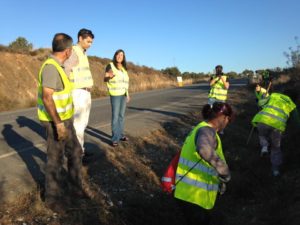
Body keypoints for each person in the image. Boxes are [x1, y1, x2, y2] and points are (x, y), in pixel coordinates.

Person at [37, 33, 83, 212]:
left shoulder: (59, 65)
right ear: (68, 51)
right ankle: (53, 200)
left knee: (76, 152)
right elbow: (47, 97)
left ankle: (75, 189)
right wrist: (58, 124)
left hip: (66, 119)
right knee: (55, 159)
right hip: (55, 121)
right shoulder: (50, 67)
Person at [174, 102, 233, 225]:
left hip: (188, 194)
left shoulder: (200, 127)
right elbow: (204, 150)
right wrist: (224, 172)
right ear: (222, 117)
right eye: (228, 119)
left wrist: (218, 181)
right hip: (194, 196)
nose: (228, 123)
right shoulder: (207, 131)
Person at [251, 90, 298, 176]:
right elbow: (296, 120)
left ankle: (264, 146)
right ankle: (275, 170)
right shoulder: (291, 104)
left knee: (262, 135)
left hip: (263, 121)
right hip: (277, 127)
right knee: (276, 148)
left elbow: (260, 103)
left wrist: (262, 98)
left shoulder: (273, 96)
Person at [64, 28, 94, 157]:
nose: (90, 44)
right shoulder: (74, 51)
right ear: (80, 38)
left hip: (85, 92)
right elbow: (65, 70)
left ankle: (80, 149)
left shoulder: (83, 53)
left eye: (91, 42)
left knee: (83, 124)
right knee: (78, 125)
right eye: (88, 41)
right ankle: (77, 154)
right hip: (78, 92)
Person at [104, 49, 130, 147]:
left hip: (123, 94)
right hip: (115, 94)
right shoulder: (110, 66)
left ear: (123, 57)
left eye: (122, 55)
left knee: (121, 116)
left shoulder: (124, 68)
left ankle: (121, 135)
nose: (120, 56)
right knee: (115, 116)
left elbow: (125, 82)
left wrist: (127, 94)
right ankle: (115, 138)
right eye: (118, 54)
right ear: (115, 56)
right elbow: (105, 78)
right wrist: (109, 76)